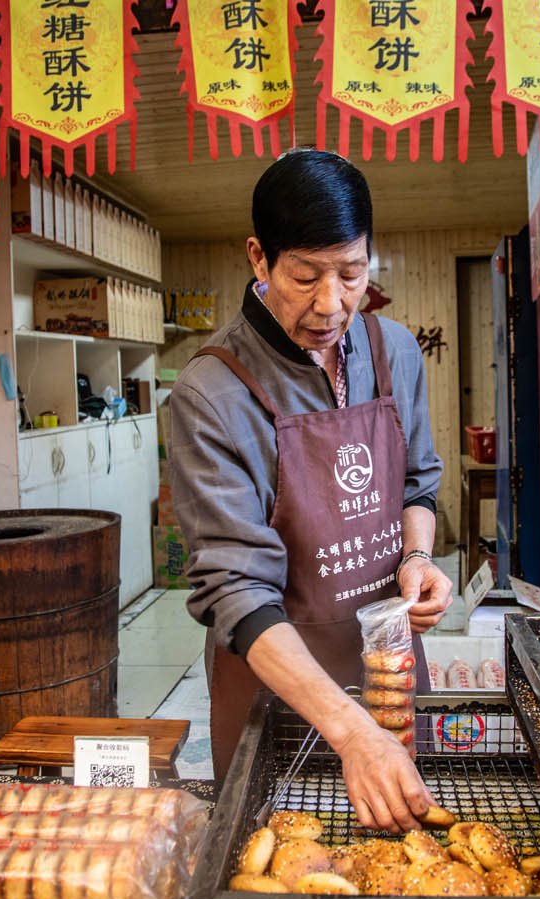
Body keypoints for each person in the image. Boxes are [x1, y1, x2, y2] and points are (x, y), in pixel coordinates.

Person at [168, 149, 453, 832]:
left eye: (351, 273)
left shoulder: (394, 352)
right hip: (277, 689)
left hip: (391, 671)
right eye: (304, 276)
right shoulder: (210, 394)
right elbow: (236, 591)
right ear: (258, 258)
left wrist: (416, 558)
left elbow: (418, 482)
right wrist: (352, 734)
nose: (331, 304)